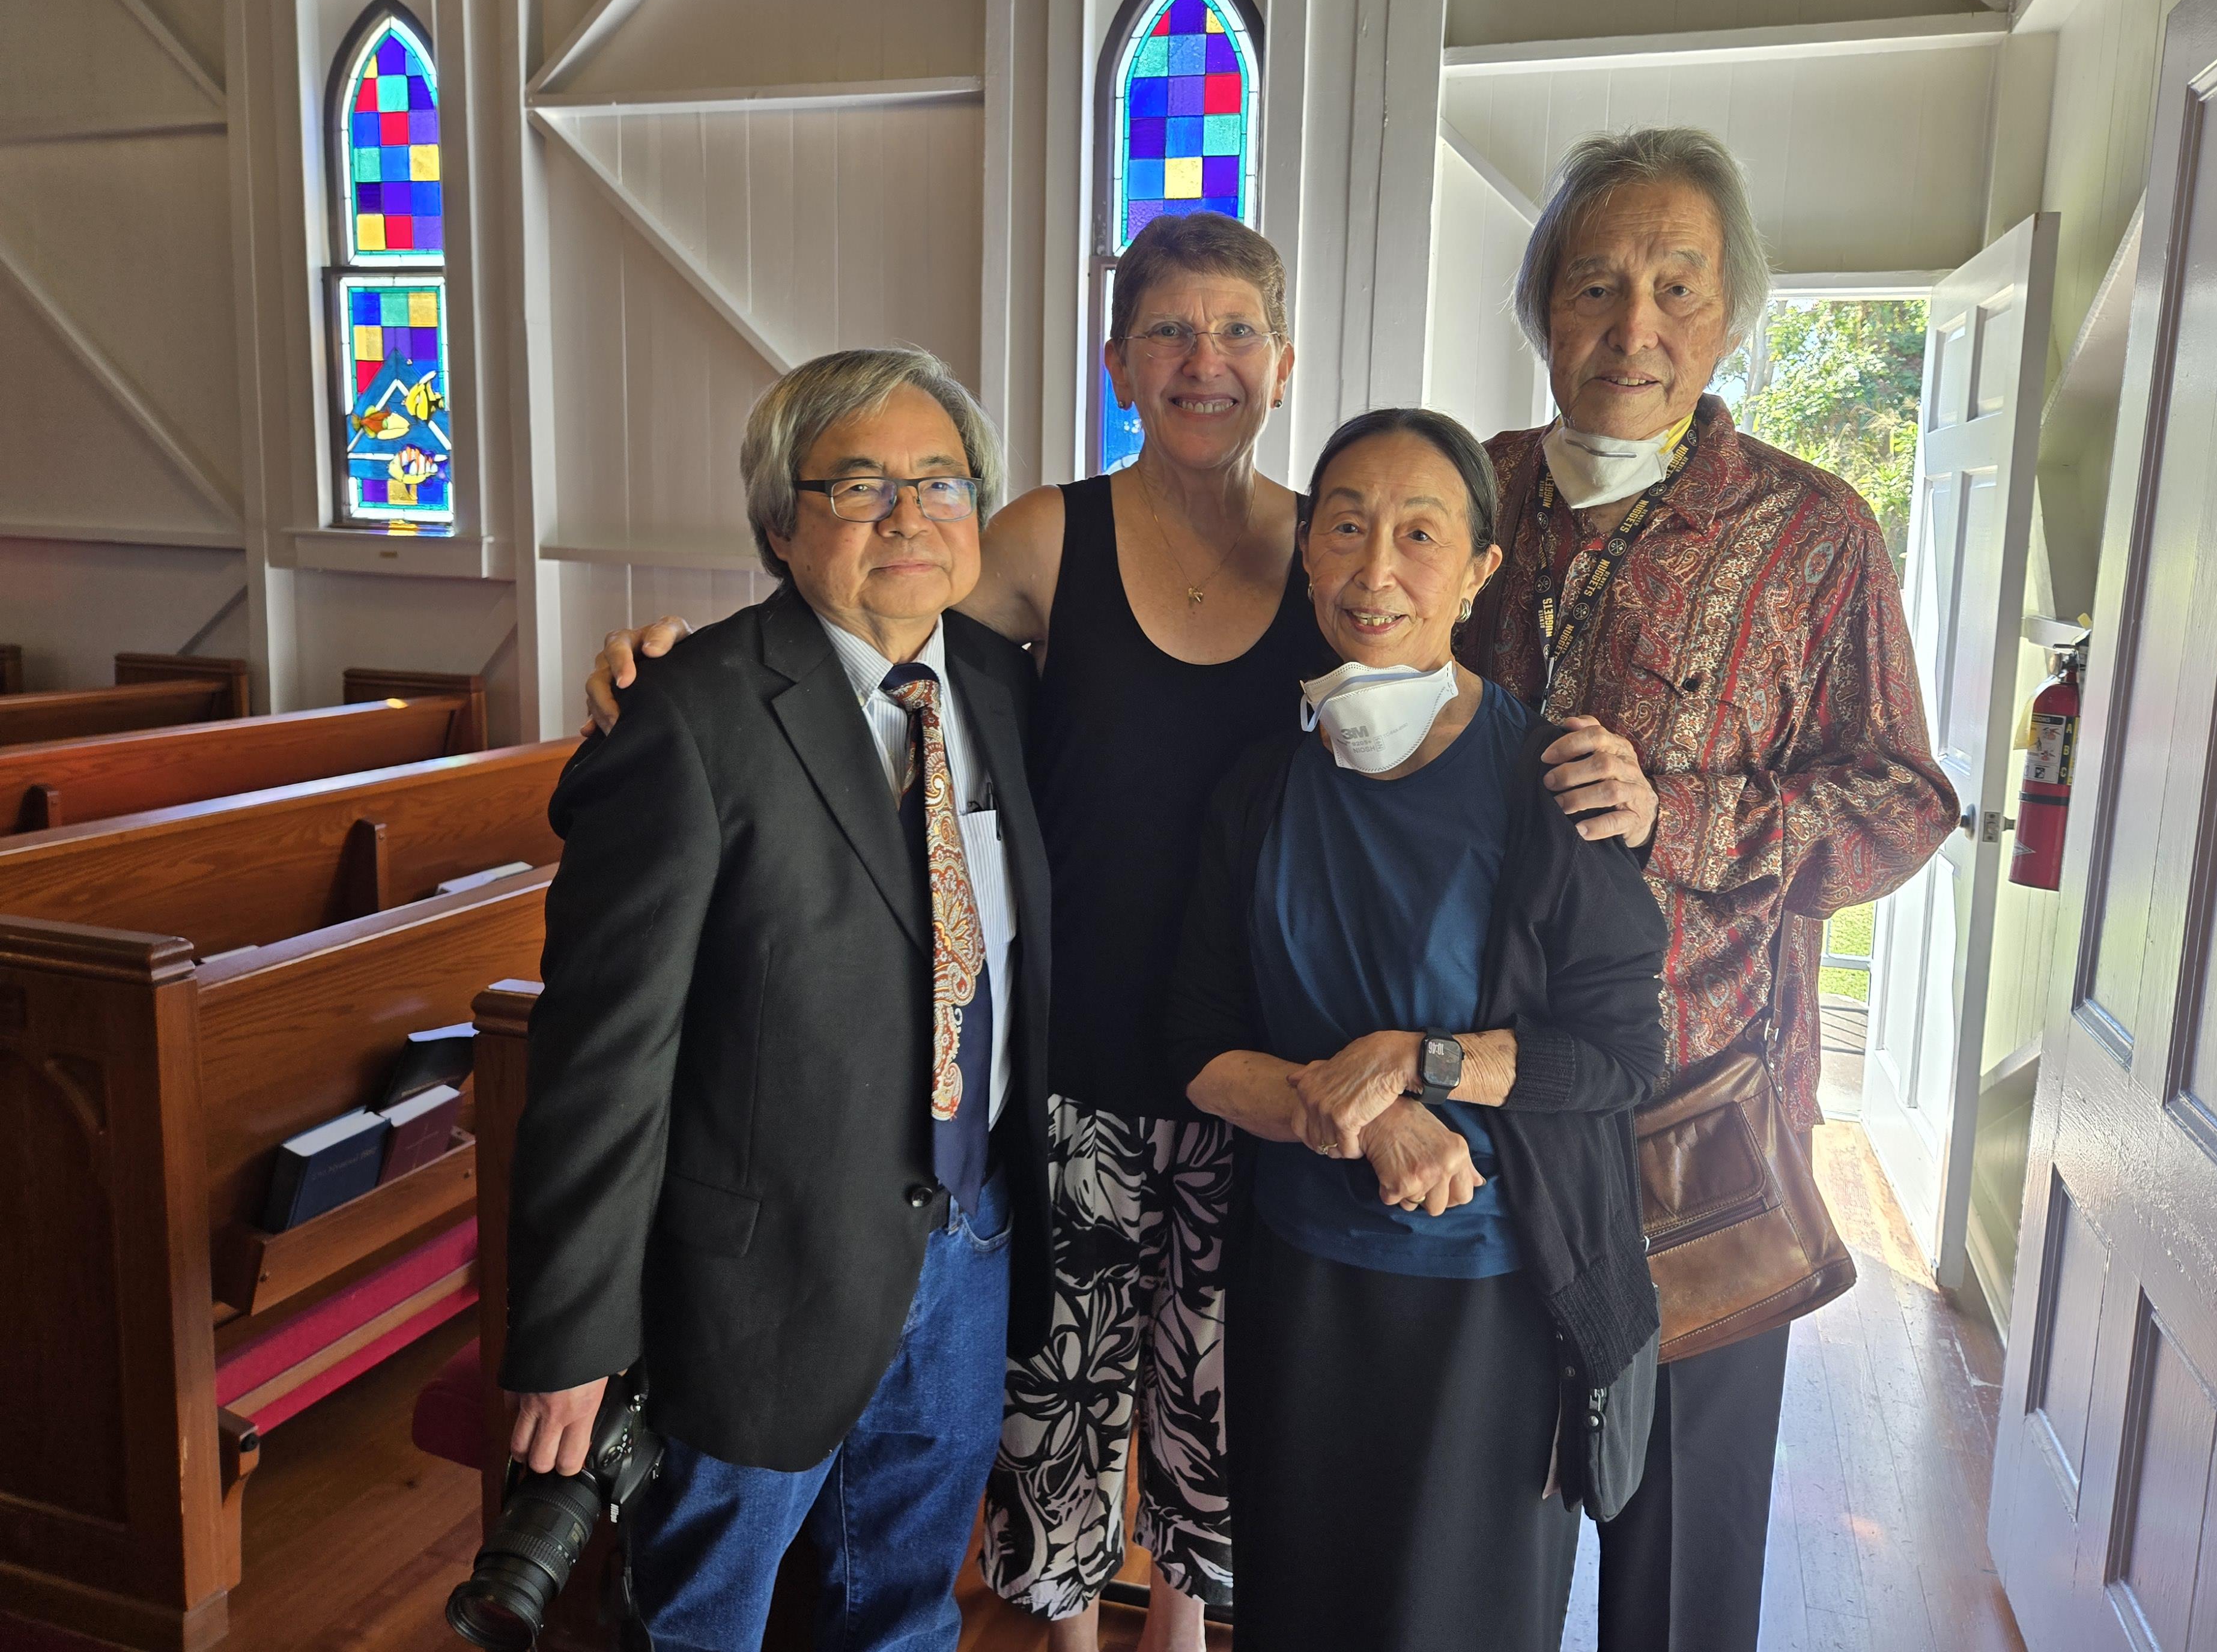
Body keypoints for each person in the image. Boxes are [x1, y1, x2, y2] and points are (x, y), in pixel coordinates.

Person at [578, 218, 1657, 1651]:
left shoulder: (1335, 549)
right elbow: (863, 604)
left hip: (1265, 1077)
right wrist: (675, 662)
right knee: (1059, 1420)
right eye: (1165, 333)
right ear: (1117, 363)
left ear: (1282, 364)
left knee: (1220, 1428)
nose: (1200, 364)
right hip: (1075, 1055)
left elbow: (1462, 735)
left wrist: (1627, 790)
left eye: (1232, 335)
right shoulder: (1043, 534)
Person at [1463, 126, 1958, 1651]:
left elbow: (1903, 802)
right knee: (1482, 1536)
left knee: (1681, 1568)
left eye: (1677, 286)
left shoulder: (1811, 534)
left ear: (1731, 312)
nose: (1634, 328)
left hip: (1702, 1134)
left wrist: (1678, 816)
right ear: (1543, 305)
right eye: (1596, 285)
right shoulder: (1465, 498)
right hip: (1474, 1123)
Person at [500, 347, 1055, 1652]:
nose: (908, 515)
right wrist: (572, 1334)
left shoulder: (1002, 689)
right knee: (701, 1619)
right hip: (759, 1281)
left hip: (967, 1243)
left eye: (939, 482)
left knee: (907, 1606)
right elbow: (602, 1056)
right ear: (776, 525)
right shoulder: (687, 718)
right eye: (857, 485)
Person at [1168, 408, 1667, 1652]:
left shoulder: (1552, 780)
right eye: (1343, 527)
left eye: (1417, 533)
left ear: (1480, 570)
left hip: (1497, 1300)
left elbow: (1619, 1054)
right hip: (1302, 1291)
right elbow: (1196, 1041)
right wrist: (1362, 1114)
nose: (1373, 567)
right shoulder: (1258, 787)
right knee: (1299, 1611)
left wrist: (1422, 1064)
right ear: (1304, 553)